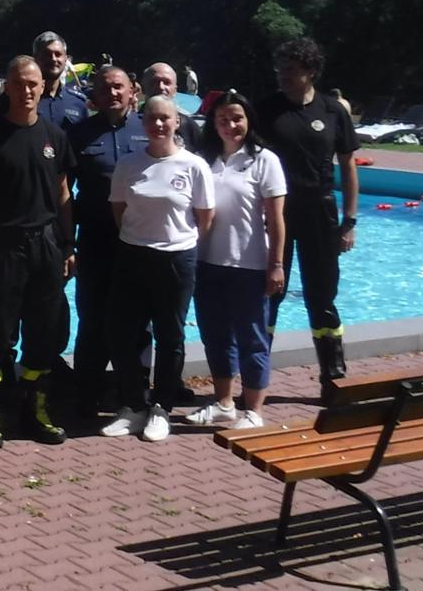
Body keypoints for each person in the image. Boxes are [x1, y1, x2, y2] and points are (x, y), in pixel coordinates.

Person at [0, 55, 76, 449]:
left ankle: (35, 410)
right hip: (2, 245)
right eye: (18, 83)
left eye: (33, 83)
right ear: (6, 87)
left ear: (43, 86)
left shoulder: (55, 136)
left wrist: (67, 244)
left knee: (43, 332)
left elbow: (62, 195)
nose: (26, 90)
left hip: (45, 244)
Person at [101, 95, 213, 443]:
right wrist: (141, 237)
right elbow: (119, 209)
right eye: (152, 119)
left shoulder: (194, 166)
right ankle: (133, 406)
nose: (159, 125)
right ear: (143, 123)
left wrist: (172, 240)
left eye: (165, 118)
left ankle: (162, 406)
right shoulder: (129, 164)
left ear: (177, 122)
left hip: (176, 259)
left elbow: (204, 218)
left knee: (170, 336)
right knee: (123, 335)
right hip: (133, 255)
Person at [258, 38, 358, 382]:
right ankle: (256, 375)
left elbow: (348, 165)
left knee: (322, 294)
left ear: (310, 72)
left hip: (320, 212)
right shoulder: (267, 110)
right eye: (280, 68)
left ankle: (332, 372)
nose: (283, 75)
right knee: (270, 293)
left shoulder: (333, 111)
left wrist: (350, 220)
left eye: (291, 69)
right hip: (277, 214)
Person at [187, 91, 287, 430]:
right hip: (207, 263)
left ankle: (254, 411)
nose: (230, 125)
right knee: (215, 335)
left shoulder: (264, 160)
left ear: (248, 121)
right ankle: (224, 403)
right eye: (222, 120)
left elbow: (276, 220)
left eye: (237, 119)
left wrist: (276, 264)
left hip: (250, 265)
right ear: (213, 124)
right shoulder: (203, 160)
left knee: (252, 337)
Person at [64, 66, 144, 418]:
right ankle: (86, 396)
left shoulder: (150, 130)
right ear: (93, 96)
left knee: (138, 322)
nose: (112, 93)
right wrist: (68, 243)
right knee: (92, 320)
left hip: (140, 244)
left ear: (132, 91)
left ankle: (135, 397)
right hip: (95, 241)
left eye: (118, 87)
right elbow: (64, 191)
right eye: (105, 88)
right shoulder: (79, 135)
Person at [33, 32, 89, 133]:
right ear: (35, 58)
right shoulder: (20, 99)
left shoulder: (78, 103)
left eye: (58, 54)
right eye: (47, 54)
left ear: (65, 59)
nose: (53, 59)